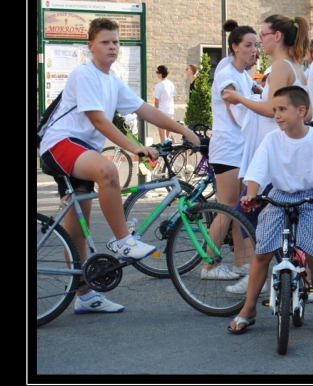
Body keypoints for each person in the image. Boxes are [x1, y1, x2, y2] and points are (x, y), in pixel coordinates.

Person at [39, 17, 200, 313]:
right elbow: (97, 120)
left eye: (115, 42)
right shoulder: (84, 74)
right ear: (91, 46)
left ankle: (85, 294)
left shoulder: (112, 80)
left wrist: (186, 132)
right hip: (61, 144)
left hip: (79, 150)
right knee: (108, 171)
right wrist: (134, 146)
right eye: (105, 42)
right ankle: (123, 240)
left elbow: (146, 109)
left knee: (76, 227)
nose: (112, 46)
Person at [228, 86, 313, 334]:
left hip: (310, 198)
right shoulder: (272, 139)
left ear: (301, 111)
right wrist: (252, 194)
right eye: (275, 110)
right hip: (279, 196)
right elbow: (258, 170)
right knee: (262, 253)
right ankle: (249, 308)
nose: (277, 115)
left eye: (282, 109)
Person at [221, 14, 311, 295]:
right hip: (280, 152)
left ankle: (259, 281)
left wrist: (240, 99)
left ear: (278, 37)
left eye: (264, 34)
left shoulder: (282, 65)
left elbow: (273, 109)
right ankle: (294, 279)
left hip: (274, 154)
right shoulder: (293, 66)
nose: (260, 39)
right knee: (268, 218)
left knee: (246, 214)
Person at [202, 20, 259, 280]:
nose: (254, 50)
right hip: (227, 148)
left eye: (256, 45)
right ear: (235, 47)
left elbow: (252, 93)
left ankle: (241, 263)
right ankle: (209, 265)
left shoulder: (238, 71)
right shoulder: (227, 75)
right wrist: (262, 107)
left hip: (240, 148)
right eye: (248, 46)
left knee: (238, 209)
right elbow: (237, 113)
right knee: (227, 207)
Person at [153, 65, 176, 143]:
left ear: (160, 73)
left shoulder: (159, 86)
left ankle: (164, 154)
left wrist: (155, 114)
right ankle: (171, 152)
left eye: (157, 72)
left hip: (162, 112)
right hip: (170, 112)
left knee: (163, 136)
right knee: (168, 134)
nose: (156, 74)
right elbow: (173, 99)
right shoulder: (171, 84)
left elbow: (156, 102)